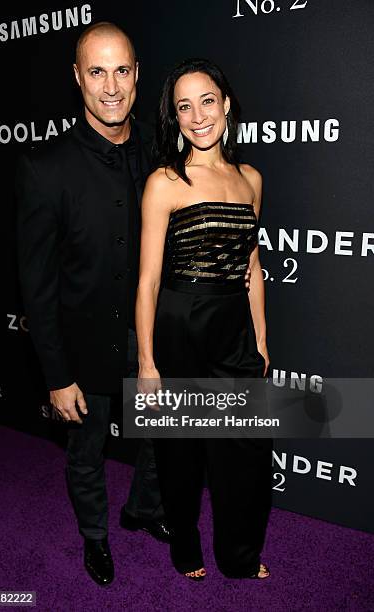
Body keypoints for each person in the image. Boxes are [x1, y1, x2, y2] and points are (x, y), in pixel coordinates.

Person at [15, 22, 170, 587]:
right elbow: (36, 283)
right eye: (97, 71)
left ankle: (145, 510)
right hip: (84, 346)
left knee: (161, 435)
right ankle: (96, 539)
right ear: (76, 77)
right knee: (87, 452)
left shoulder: (160, 153)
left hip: (153, 337)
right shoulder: (46, 166)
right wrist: (57, 375)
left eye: (122, 70)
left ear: (137, 75)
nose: (111, 86)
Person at [136, 58, 272, 580]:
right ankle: (185, 548)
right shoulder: (165, 183)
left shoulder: (251, 179)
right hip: (180, 321)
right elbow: (147, 281)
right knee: (182, 452)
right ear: (175, 118)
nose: (197, 116)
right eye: (183, 106)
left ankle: (239, 556)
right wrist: (147, 362)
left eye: (206, 101)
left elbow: (252, 266)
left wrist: (261, 339)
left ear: (226, 105)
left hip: (233, 324)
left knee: (246, 454)